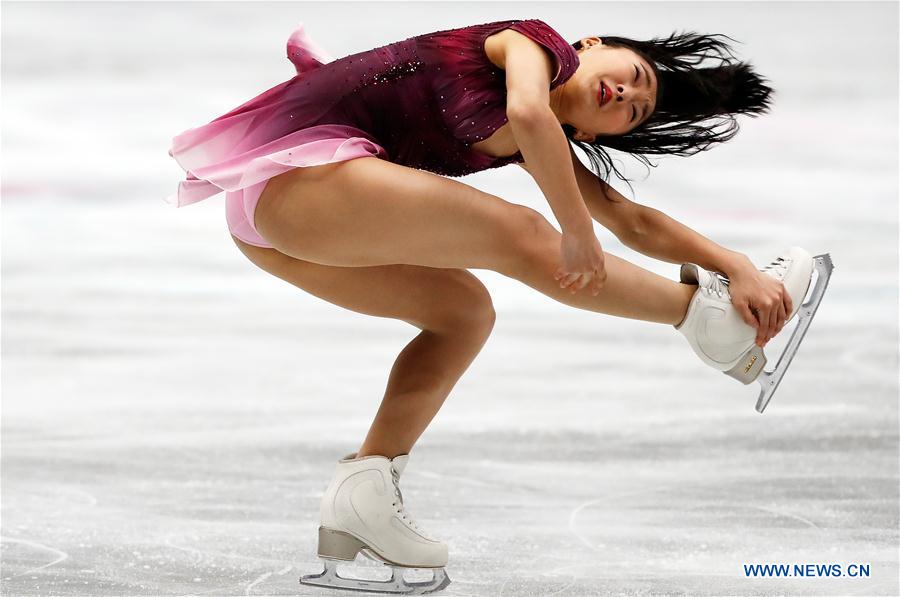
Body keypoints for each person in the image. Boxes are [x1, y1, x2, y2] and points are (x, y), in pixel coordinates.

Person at [166, 18, 829, 593]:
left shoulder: (544, 138)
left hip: (274, 225)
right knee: (523, 234)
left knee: (463, 313)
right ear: (593, 45)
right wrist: (574, 230)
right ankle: (704, 320)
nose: (624, 94)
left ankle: (364, 490)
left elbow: (630, 219)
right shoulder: (532, 46)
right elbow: (532, 116)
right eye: (631, 75)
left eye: (633, 111)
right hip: (290, 180)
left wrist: (736, 265)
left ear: (600, 133)